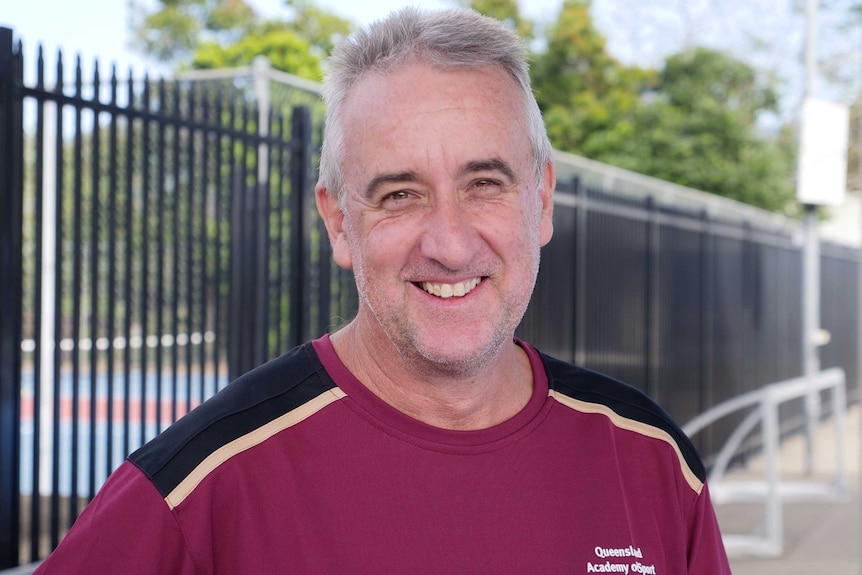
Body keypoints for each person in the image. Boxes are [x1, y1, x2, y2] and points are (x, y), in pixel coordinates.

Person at [35, 7, 731, 574]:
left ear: (541, 201)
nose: (450, 243)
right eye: (400, 194)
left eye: (484, 184)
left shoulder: (649, 459)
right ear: (339, 221)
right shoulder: (199, 489)